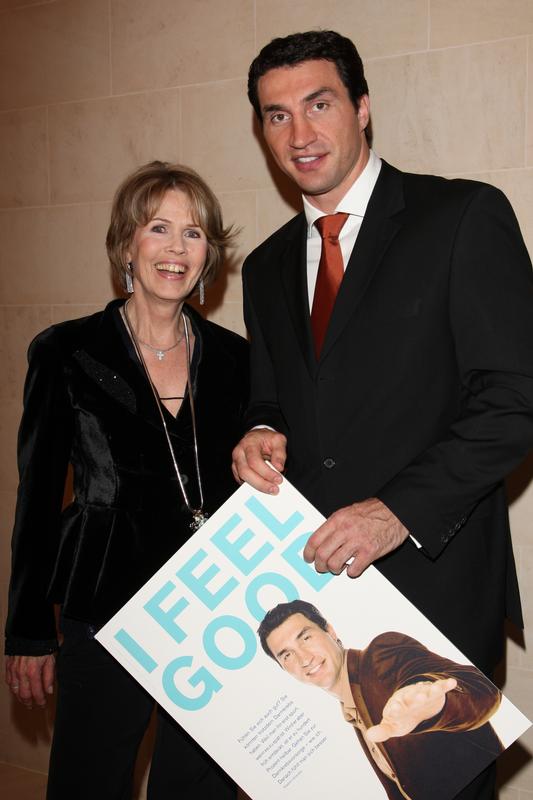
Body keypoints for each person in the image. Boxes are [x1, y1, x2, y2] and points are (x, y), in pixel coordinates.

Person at [231, 30, 533, 799]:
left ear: (362, 108)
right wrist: (259, 432)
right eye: (275, 116)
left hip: (434, 584)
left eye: (318, 104)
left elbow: (515, 400)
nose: (299, 134)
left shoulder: (462, 214)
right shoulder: (264, 267)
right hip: (315, 595)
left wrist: (397, 511)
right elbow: (274, 396)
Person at [4, 161, 248, 799]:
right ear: (125, 246)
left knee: (200, 788)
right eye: (158, 228)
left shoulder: (239, 360)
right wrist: (28, 631)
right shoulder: (66, 352)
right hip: (106, 606)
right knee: (90, 783)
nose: (175, 248)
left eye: (194, 234)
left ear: (209, 254)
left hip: (213, 612)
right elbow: (35, 499)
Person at [259, 600, 503, 800]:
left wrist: (437, 704)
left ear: (330, 632)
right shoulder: (350, 707)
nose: (304, 658)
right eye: (287, 655)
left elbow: (481, 689)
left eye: (306, 638)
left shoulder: (381, 654)